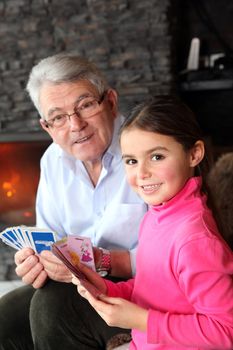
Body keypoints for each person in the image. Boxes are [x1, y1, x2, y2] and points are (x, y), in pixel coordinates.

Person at [0, 53, 148, 349]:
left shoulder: (145, 149)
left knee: (51, 308)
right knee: (6, 318)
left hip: (141, 288)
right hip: (80, 283)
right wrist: (36, 262)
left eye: (85, 105)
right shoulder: (52, 160)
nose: (75, 125)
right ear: (47, 126)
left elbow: (176, 254)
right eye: (58, 117)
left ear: (110, 101)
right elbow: (50, 239)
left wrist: (101, 262)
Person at [72, 95, 233, 349]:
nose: (142, 173)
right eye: (132, 161)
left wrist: (143, 320)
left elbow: (227, 331)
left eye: (157, 157)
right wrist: (106, 289)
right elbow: (156, 289)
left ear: (194, 154)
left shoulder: (195, 240)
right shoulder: (156, 216)